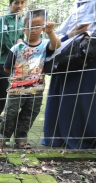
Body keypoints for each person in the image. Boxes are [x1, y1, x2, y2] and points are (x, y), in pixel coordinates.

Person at [0, 9, 61, 149]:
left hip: (36, 89)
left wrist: (50, 31)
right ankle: (3, 137)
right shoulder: (16, 48)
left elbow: (56, 45)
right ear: (24, 29)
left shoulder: (45, 45)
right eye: (30, 26)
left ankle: (21, 138)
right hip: (16, 89)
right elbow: (7, 68)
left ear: (44, 26)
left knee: (29, 114)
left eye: (38, 26)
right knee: (10, 113)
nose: (34, 30)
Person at [42, 0, 96, 149]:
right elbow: (62, 35)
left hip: (86, 57)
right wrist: (74, 34)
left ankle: (73, 136)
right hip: (70, 57)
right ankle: (63, 136)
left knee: (82, 98)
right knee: (70, 98)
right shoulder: (77, 8)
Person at [0, 0, 27, 126]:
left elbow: (21, 42)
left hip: (8, 64)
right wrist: (15, 50)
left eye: (22, 3)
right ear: (10, 5)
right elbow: (2, 40)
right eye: (16, 3)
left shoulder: (21, 23)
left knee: (4, 89)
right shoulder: (3, 20)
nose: (19, 6)